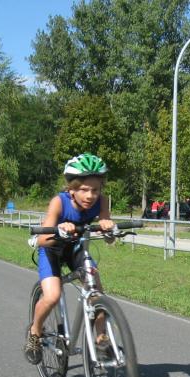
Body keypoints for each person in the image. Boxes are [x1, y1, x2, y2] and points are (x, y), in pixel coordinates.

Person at [25, 153, 115, 364]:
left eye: (95, 190)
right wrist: (59, 229)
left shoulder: (102, 201)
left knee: (96, 292)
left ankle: (101, 339)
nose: (90, 195)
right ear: (71, 189)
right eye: (84, 189)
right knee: (52, 296)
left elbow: (108, 236)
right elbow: (42, 239)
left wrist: (108, 228)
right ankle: (35, 332)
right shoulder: (59, 202)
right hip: (52, 250)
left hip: (76, 248)